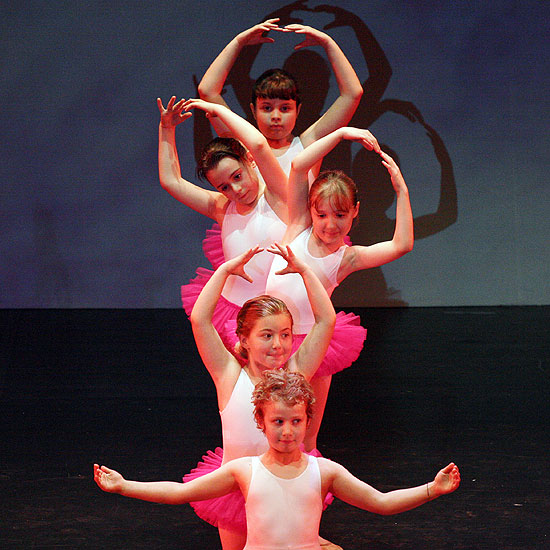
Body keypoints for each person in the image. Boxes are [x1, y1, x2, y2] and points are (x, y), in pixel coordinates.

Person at [94, 370, 461, 550]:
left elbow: (380, 503)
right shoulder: (244, 470)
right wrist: (124, 486)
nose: (287, 431)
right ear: (261, 422)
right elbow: (178, 492)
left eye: (296, 421)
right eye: (278, 422)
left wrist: (432, 488)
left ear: (307, 421)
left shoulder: (325, 471)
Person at [263, 126, 414, 452]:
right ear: (311, 211)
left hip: (312, 344)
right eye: (323, 214)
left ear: (355, 212)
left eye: (340, 215)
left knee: (306, 433)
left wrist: (401, 190)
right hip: (270, 338)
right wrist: (343, 132)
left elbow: (402, 244)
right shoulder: (299, 224)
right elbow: (299, 166)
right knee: (265, 424)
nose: (330, 224)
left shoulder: (347, 257)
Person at [181, 245, 335, 549]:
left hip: (287, 483)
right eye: (267, 335)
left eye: (286, 334)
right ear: (244, 339)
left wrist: (305, 271)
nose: (278, 344)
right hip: (238, 488)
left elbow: (325, 321)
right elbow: (200, 319)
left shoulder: (297, 372)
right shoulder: (228, 375)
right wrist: (224, 271)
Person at [157, 97, 288, 343]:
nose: (236, 190)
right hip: (236, 314)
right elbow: (171, 181)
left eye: (237, 176)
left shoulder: (279, 196)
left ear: (249, 160)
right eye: (224, 186)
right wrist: (167, 129)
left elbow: (259, 145)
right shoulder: (222, 207)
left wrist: (218, 110)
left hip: (282, 314)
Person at [197, 18, 365, 180]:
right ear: (253, 110)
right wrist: (238, 42)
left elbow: (352, 94)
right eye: (267, 108)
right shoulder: (242, 146)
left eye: (285, 108)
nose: (276, 116)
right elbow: (207, 91)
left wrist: (328, 43)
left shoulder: (309, 145)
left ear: (297, 110)